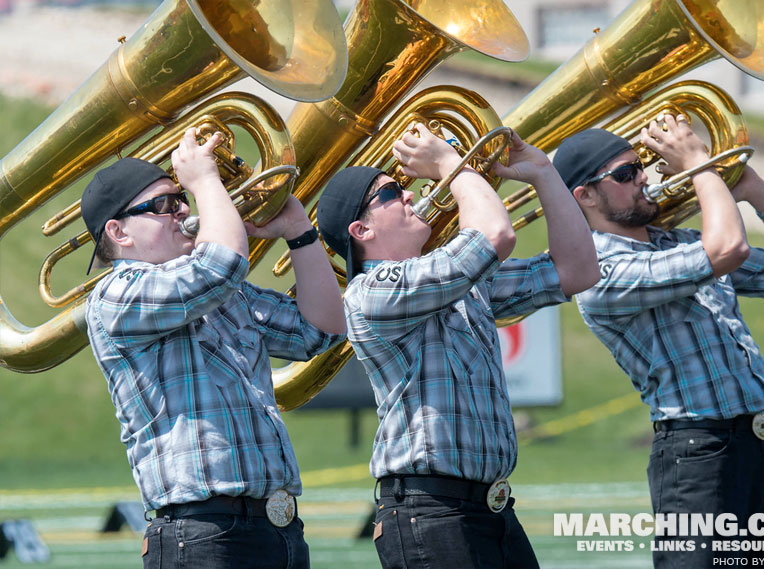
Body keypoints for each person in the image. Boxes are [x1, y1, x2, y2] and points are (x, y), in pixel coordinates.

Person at [552, 116, 764, 567]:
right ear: (584, 196)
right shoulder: (598, 271)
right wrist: (702, 166)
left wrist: (752, 187)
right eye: (625, 175)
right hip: (700, 456)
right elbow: (728, 249)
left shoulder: (681, 242)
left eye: (639, 166)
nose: (642, 178)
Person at [315, 123, 600, 569]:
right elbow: (495, 237)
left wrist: (544, 173)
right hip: (431, 512)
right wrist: (451, 164)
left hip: (488, 507)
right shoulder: (372, 290)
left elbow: (578, 269)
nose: (409, 195)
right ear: (361, 230)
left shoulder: (450, 280)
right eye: (391, 195)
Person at [82, 128, 346, 569]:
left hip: (275, 527)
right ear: (119, 232)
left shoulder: (221, 290)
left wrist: (299, 231)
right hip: (202, 533)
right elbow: (220, 266)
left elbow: (321, 329)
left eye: (181, 199)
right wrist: (205, 181)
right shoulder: (116, 294)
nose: (183, 209)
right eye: (165, 204)